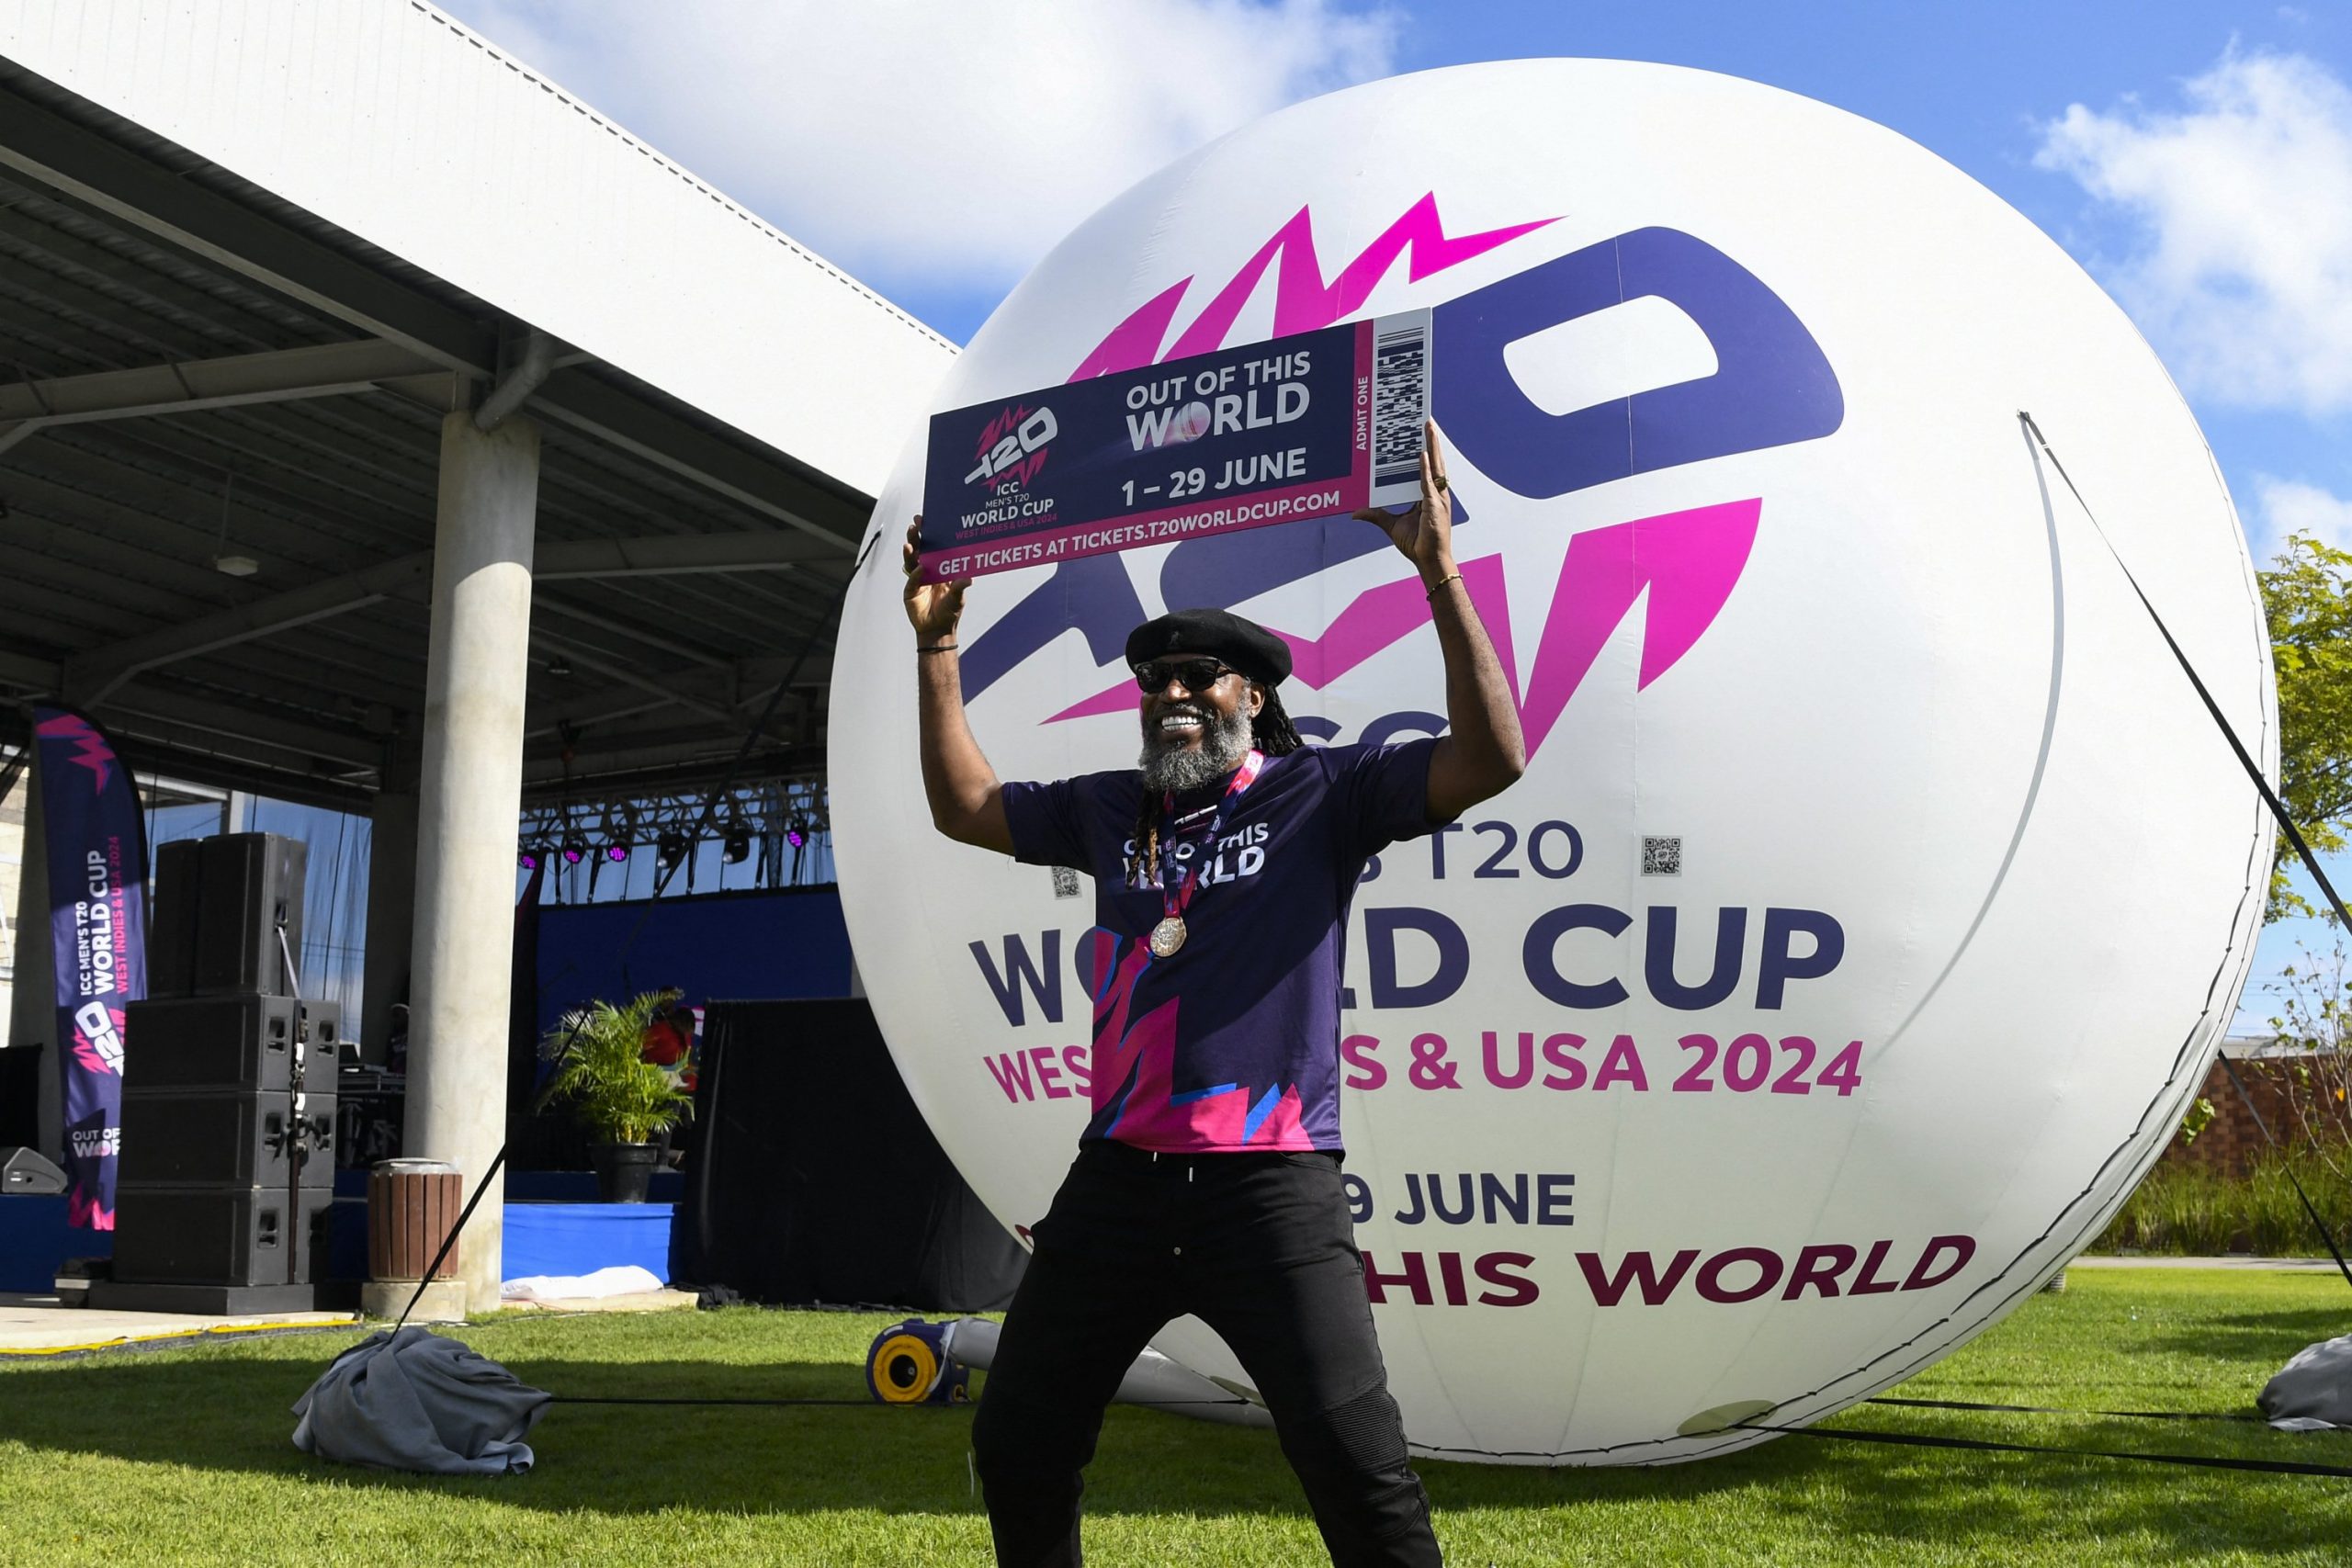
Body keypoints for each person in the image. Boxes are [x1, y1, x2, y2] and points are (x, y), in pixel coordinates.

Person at [906, 421, 1525, 1567]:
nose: (1172, 692)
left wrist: (1437, 568)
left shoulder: (1324, 793)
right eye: (1154, 681)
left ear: (1252, 695)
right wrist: (937, 651)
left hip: (1270, 1192)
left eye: (1198, 676)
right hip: (1117, 1188)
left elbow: (1491, 758)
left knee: (1356, 1464)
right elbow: (966, 804)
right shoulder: (1107, 809)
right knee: (1021, 1439)